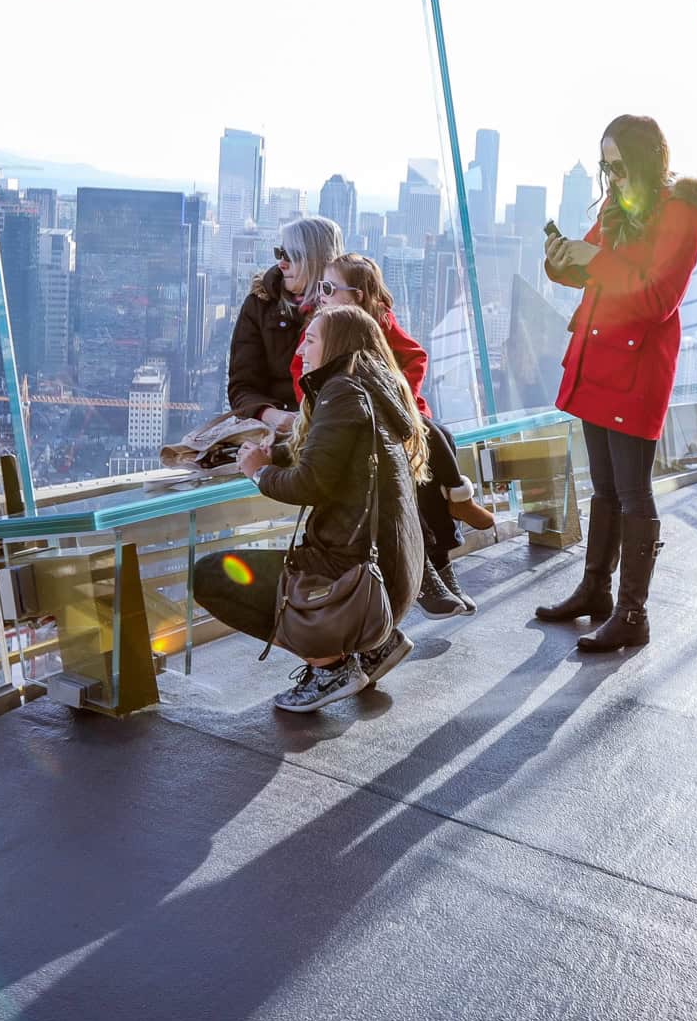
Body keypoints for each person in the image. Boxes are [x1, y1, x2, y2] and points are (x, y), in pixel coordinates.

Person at [536, 113, 697, 653]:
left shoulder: (681, 215)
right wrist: (563, 261)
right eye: (604, 165)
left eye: (618, 165)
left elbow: (657, 299)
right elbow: (595, 271)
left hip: (637, 368)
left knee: (634, 491)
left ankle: (632, 613)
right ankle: (596, 589)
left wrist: (598, 258)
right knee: (604, 486)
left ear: (645, 159)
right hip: (601, 360)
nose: (610, 176)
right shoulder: (621, 208)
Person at [190, 303, 428, 713]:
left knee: (210, 576)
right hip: (393, 579)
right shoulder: (377, 390)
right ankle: (374, 645)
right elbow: (337, 453)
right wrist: (280, 452)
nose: (301, 351)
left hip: (355, 580)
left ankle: (329, 666)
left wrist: (257, 472)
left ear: (336, 345)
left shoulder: (341, 391)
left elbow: (309, 483)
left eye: (311, 340)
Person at [301, 253, 494, 616]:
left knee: (434, 441)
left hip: (393, 413)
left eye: (328, 288)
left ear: (357, 295)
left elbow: (415, 356)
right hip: (361, 421)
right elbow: (305, 374)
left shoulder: (379, 324)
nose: (321, 295)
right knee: (414, 458)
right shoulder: (323, 328)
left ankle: (438, 563)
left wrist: (403, 395)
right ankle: (440, 549)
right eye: (321, 287)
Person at [229, 215, 342, 438]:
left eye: (291, 256)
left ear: (316, 259)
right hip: (275, 431)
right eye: (280, 253)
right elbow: (242, 387)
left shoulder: (348, 309)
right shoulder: (260, 304)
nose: (281, 263)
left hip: (331, 429)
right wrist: (272, 415)